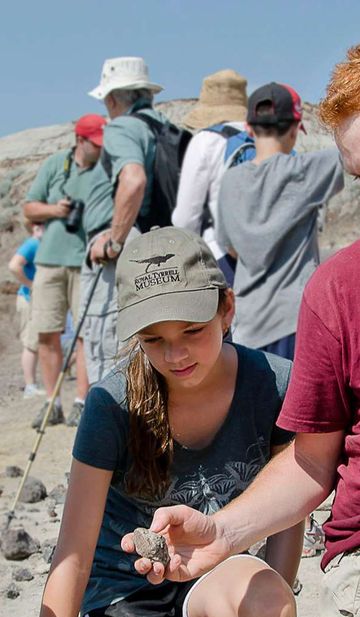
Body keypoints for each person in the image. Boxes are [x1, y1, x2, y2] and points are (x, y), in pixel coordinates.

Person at [0, 228, 303, 617]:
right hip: (125, 595)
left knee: (269, 609)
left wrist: (273, 609)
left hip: (213, 574)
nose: (177, 353)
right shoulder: (112, 404)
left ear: (227, 308)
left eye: (192, 330)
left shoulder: (273, 383)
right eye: (155, 338)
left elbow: (289, 504)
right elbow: (72, 554)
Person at [131, 46, 360, 617]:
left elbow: (211, 238)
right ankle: (262, 596)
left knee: (264, 458)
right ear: (299, 127)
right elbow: (312, 462)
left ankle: (250, 598)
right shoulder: (312, 187)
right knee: (282, 451)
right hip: (288, 330)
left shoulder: (229, 181)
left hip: (244, 327)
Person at [216, 81, 344, 360]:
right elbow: (350, 155)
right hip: (296, 319)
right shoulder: (305, 171)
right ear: (295, 130)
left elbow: (230, 248)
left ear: (249, 128)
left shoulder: (230, 181)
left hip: (248, 323)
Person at [81, 56, 165, 385]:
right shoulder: (164, 126)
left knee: (108, 344)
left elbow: (132, 179)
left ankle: (112, 428)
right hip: (155, 245)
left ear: (113, 98)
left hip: (119, 252)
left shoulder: (121, 128)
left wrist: (113, 241)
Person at [23, 113, 106, 428]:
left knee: (86, 335)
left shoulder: (106, 168)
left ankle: (81, 401)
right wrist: (55, 210)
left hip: (87, 263)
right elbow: (30, 207)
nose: (100, 148)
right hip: (49, 261)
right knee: (47, 332)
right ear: (80, 140)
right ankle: (51, 401)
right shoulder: (56, 165)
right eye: (95, 143)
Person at [172, 69, 248, 285]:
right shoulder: (265, 136)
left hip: (222, 257)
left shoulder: (206, 141)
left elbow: (186, 217)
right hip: (270, 260)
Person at [8, 222, 45, 398]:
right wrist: (30, 285)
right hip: (28, 299)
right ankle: (30, 386)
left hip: (34, 300)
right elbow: (14, 266)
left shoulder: (40, 244)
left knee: (35, 341)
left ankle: (33, 383)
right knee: (30, 343)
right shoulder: (33, 243)